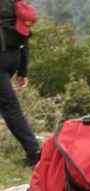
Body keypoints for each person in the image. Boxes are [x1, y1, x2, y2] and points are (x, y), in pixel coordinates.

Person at [0, 0, 40, 166]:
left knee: (10, 108)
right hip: (13, 58)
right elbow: (25, 38)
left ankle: (34, 152)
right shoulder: (14, 4)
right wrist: (23, 71)